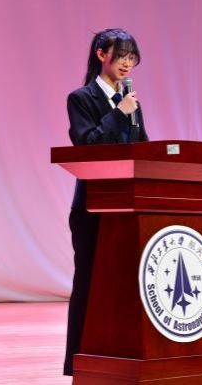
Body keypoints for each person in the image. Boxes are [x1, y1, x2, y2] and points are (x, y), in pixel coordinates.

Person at [63, 28, 147, 376]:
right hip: (93, 208)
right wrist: (118, 113)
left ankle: (119, 359)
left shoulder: (131, 101)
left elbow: (143, 151)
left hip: (128, 209)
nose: (127, 63)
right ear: (101, 55)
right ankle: (79, 363)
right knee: (88, 283)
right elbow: (87, 146)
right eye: (121, 55)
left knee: (125, 286)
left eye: (131, 57)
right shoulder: (81, 98)